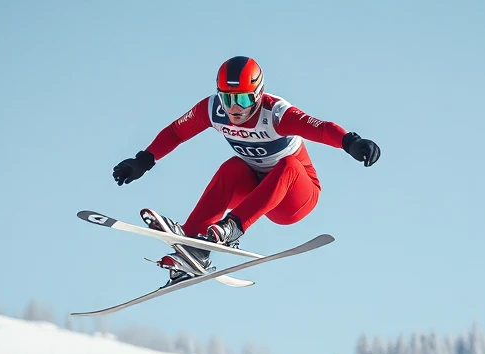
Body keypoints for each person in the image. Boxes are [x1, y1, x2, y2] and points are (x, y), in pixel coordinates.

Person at [112, 55, 381, 287]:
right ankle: (192, 244)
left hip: (296, 197)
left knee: (287, 163)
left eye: (242, 99)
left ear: (258, 94)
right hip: (256, 189)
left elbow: (321, 128)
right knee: (232, 167)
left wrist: (351, 142)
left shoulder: (275, 114)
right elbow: (176, 132)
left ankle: (233, 228)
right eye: (227, 99)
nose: (234, 109)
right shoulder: (213, 110)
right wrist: (143, 160)